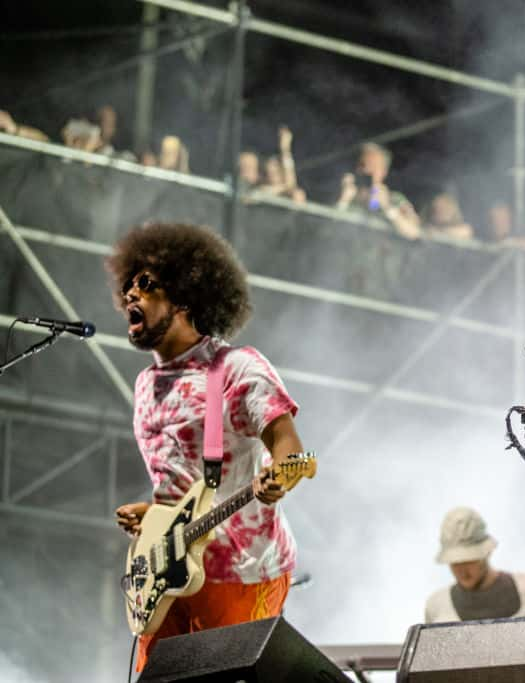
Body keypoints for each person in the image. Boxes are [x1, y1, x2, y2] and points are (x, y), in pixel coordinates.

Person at [108, 222, 304, 671]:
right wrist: (154, 516)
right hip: (166, 571)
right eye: (127, 286)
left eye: (146, 285)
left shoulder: (235, 368)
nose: (130, 296)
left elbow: (287, 443)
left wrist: (283, 472)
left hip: (243, 570)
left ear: (184, 297)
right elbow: (176, 484)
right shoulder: (145, 385)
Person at [424, 507, 525, 623]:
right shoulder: (437, 606)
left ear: (487, 553)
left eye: (469, 560)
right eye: (454, 562)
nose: (461, 570)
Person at [337, 141, 420, 239]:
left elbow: (414, 232)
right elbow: (326, 230)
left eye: (373, 166)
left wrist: (387, 207)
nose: (367, 170)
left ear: (383, 171)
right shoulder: (346, 191)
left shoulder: (394, 199)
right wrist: (343, 201)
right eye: (362, 164)